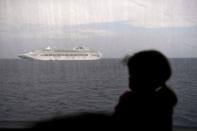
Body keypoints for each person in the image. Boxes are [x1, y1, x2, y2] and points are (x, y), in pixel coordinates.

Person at [113, 50, 178, 131]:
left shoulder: (129, 100)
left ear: (147, 78)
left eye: (132, 74)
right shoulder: (165, 99)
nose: (129, 78)